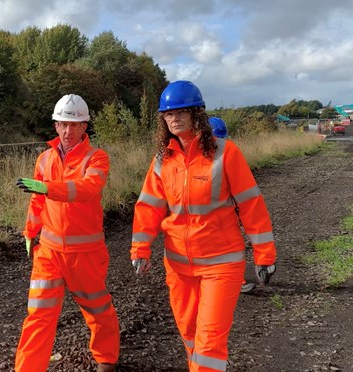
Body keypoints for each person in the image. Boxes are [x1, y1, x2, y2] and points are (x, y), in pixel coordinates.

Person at [130, 81, 277, 372]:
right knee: (190, 334)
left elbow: (251, 205)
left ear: (197, 114)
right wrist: (140, 247)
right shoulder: (162, 160)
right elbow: (149, 206)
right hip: (178, 266)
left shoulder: (225, 153)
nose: (174, 118)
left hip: (221, 264)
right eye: (168, 113)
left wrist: (265, 254)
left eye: (182, 111)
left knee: (209, 342)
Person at [14, 94, 119, 372]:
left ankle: (106, 358)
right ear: (55, 125)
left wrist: (50, 188)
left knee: (97, 310)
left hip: (84, 255)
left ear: (85, 126)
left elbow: (88, 188)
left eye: (74, 125)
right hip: (48, 253)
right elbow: (37, 201)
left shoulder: (97, 158)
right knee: (38, 316)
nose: (67, 131)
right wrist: (30, 231)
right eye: (62, 124)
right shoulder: (45, 159)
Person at [209, 116, 257, 294]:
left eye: (222, 138)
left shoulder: (229, 154)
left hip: (227, 212)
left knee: (231, 245)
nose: (219, 142)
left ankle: (236, 279)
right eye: (217, 137)